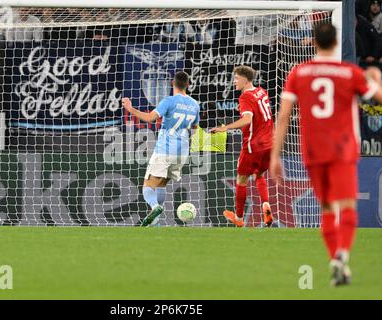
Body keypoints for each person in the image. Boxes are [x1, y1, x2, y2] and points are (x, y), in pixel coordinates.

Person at [269, 23, 382, 286]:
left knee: (328, 207)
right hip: (343, 148)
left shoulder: (299, 72)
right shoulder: (349, 72)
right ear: (336, 42)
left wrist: (275, 156)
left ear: (313, 43)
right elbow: (378, 98)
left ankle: (335, 259)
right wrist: (376, 78)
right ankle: (342, 255)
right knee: (348, 206)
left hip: (312, 150)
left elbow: (284, 116)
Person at [122, 71, 200, 226]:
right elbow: (195, 129)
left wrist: (130, 109)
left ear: (172, 83)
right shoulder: (195, 104)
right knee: (162, 184)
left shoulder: (169, 101)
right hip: (182, 152)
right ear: (188, 85)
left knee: (148, 187)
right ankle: (155, 222)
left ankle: (155, 207)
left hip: (165, 149)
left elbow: (151, 118)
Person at [210, 66, 274, 228]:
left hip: (253, 145)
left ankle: (239, 218)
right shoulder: (261, 91)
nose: (234, 82)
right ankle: (266, 205)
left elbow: (247, 119)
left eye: (236, 78)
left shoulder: (245, 97)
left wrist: (226, 127)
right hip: (269, 144)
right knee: (259, 175)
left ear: (245, 79)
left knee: (241, 179)